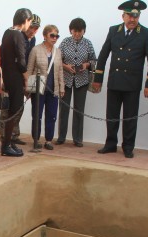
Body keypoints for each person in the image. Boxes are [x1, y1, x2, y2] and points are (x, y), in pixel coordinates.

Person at [93, 0, 148, 158]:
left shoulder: (146, 33)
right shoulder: (113, 30)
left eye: (136, 16)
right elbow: (103, 55)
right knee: (112, 116)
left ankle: (128, 147)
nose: (132, 19)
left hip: (132, 84)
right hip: (115, 81)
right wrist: (98, 78)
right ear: (123, 16)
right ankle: (110, 144)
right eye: (130, 16)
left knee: (130, 118)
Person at [56, 17, 96, 148]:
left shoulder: (88, 43)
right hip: (66, 80)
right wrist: (65, 66)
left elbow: (94, 60)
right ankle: (61, 137)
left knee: (79, 109)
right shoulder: (65, 42)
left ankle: (78, 139)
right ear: (70, 30)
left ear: (84, 31)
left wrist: (86, 65)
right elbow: (57, 60)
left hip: (82, 80)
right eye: (75, 31)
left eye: (80, 31)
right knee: (64, 109)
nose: (77, 34)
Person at [1, 13, 39, 146]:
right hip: (15, 76)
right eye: (30, 24)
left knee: (16, 108)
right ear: (26, 21)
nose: (31, 29)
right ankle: (6, 143)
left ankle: (11, 139)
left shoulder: (8, 32)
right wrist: (26, 77)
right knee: (11, 110)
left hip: (12, 75)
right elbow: (21, 61)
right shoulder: (17, 34)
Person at [27, 24, 64, 150]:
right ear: (45, 36)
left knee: (51, 115)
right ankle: (36, 139)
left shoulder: (58, 52)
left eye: (57, 36)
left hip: (53, 89)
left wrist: (62, 87)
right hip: (38, 89)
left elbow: (60, 71)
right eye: (52, 35)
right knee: (37, 115)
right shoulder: (36, 50)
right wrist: (27, 87)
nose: (54, 38)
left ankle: (48, 140)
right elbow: (29, 69)